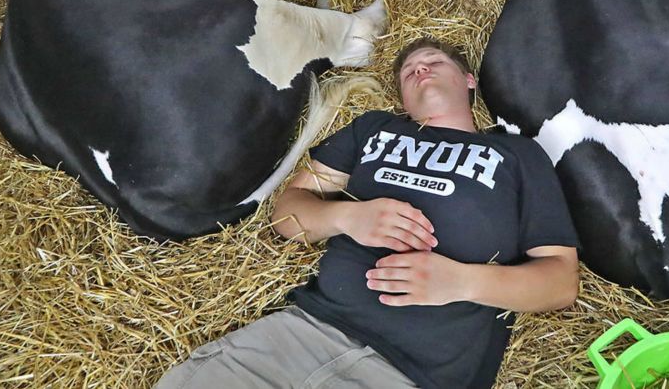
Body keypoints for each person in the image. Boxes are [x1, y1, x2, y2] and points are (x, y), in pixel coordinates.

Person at [155, 37, 580, 389]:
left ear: (468, 80)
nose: (420, 69)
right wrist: (346, 218)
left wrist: (463, 281)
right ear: (401, 96)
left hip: (415, 374)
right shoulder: (375, 129)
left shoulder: (517, 155)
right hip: (298, 336)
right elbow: (287, 214)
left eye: (433, 61)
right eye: (408, 70)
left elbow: (560, 280)